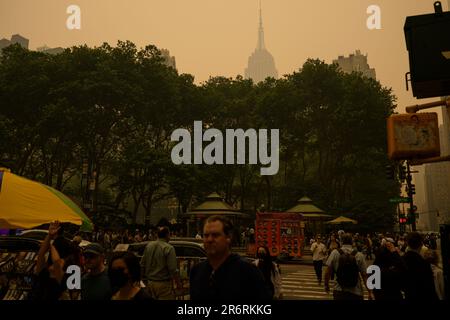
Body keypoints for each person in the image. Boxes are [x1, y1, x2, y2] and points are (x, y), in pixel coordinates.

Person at [190, 215, 272, 301]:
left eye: (215, 235)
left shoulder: (248, 272)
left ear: (228, 237)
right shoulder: (196, 271)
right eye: (206, 235)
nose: (209, 239)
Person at [30, 221, 81, 300]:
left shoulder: (62, 281)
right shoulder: (44, 273)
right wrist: (49, 235)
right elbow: (41, 255)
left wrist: (51, 244)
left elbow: (55, 261)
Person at [324, 233, 373, 300]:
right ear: (352, 242)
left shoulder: (334, 253)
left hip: (339, 291)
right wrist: (370, 292)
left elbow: (327, 272)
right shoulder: (359, 255)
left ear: (341, 241)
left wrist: (326, 285)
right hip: (356, 292)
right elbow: (364, 275)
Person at [140, 226, 178, 300]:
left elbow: (142, 264)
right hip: (163, 285)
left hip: (150, 283)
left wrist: (141, 281)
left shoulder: (149, 246)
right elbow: (173, 269)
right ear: (167, 235)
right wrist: (178, 283)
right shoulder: (169, 248)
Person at [402, 232, 438, 300]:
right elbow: (430, 288)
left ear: (407, 243)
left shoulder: (402, 261)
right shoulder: (424, 264)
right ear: (421, 244)